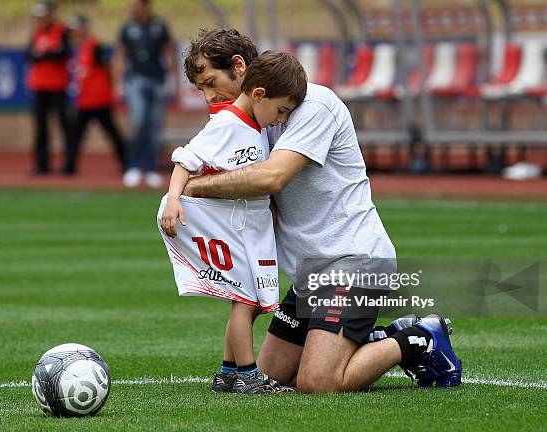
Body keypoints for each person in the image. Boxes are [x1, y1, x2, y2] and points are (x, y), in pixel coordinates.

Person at [180, 28, 463, 393]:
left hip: (353, 260)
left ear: (239, 67)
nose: (208, 97)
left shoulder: (313, 104)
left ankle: (419, 338)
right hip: (310, 275)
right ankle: (372, 336)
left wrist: (193, 188)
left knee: (318, 381)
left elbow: (273, 177)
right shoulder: (247, 124)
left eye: (210, 82)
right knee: (273, 374)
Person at [157, 51, 307, 393]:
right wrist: (174, 200)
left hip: (251, 228)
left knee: (252, 301)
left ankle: (228, 372)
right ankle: (249, 376)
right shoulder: (227, 124)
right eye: (281, 110)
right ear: (258, 95)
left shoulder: (255, 125)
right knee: (245, 300)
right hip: (230, 226)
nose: (281, 119)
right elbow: (186, 159)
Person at [113, 0, 179, 188]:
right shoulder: (127, 27)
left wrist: (174, 82)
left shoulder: (159, 25)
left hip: (157, 79)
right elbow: (119, 55)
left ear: (145, 5)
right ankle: (134, 166)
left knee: (155, 125)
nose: (132, 8)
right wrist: (117, 84)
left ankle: (150, 167)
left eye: (136, 4)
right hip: (135, 79)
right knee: (139, 121)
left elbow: (169, 53)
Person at [64, 15, 127, 175]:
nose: (73, 32)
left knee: (112, 133)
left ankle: (127, 163)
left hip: (98, 100)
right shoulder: (80, 48)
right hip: (85, 101)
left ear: (84, 28)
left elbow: (109, 67)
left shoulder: (94, 45)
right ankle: (69, 167)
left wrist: (113, 88)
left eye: (76, 28)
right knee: (75, 134)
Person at [26, 0, 72, 175]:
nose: (41, 18)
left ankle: (68, 164)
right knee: (40, 127)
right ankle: (41, 164)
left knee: (63, 125)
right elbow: (29, 54)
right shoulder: (37, 31)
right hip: (39, 86)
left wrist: (43, 53)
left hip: (58, 85)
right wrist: (47, 53)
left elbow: (62, 54)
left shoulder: (61, 31)